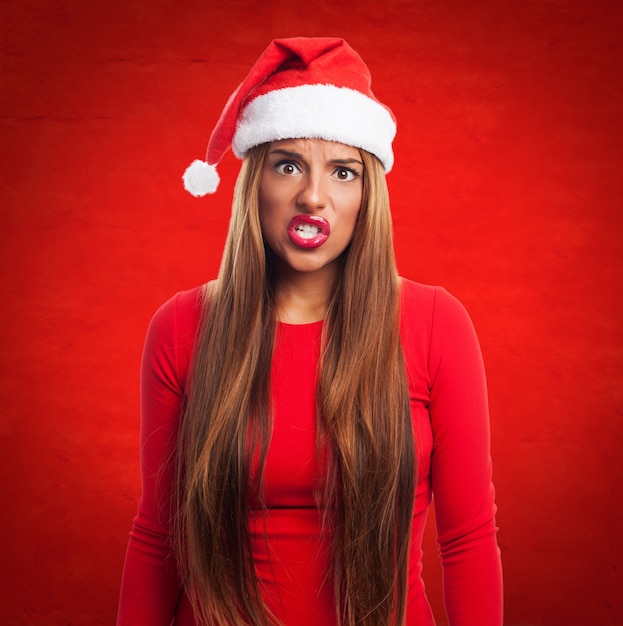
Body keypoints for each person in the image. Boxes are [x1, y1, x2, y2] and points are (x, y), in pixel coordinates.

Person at [117, 37, 503, 626]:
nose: (314, 197)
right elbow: (156, 536)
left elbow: (469, 538)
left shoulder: (435, 324)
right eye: (289, 165)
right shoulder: (180, 327)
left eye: (343, 172)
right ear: (256, 186)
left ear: (367, 195)